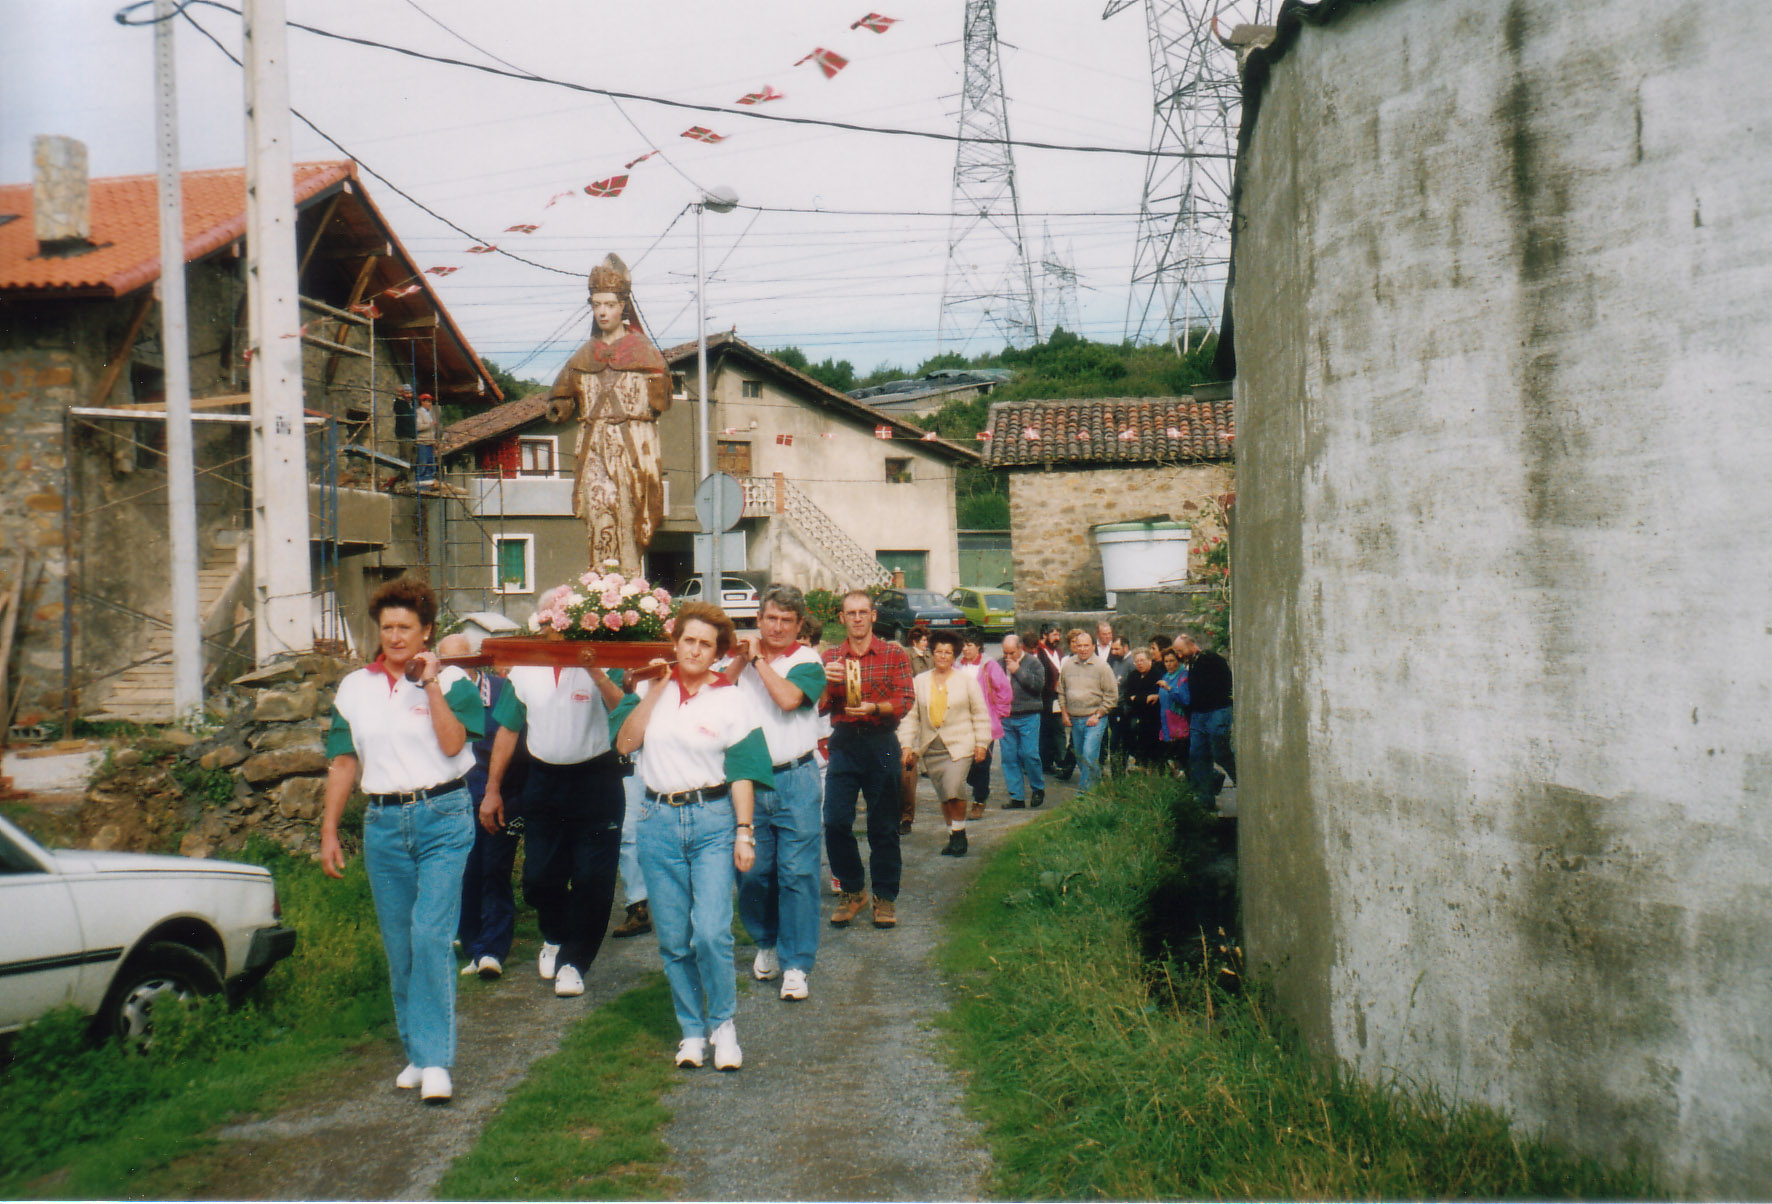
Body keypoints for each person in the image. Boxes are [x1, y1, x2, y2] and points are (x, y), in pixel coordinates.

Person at [320, 578, 483, 1104]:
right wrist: (329, 829)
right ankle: (418, 1050)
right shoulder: (354, 688)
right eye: (387, 627)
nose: (394, 636)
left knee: (431, 936)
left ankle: (435, 1062)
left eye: (405, 627)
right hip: (384, 824)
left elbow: (454, 743)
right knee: (400, 944)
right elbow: (344, 762)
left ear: (426, 631)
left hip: (443, 816)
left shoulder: (454, 680)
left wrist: (430, 684)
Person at [617, 602, 772, 1071]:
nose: (695, 650)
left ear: (717, 652)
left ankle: (723, 1026)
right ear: (676, 642)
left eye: (706, 644)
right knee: (673, 937)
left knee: (710, 931)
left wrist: (744, 833)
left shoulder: (731, 698)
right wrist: (653, 691)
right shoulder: (651, 686)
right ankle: (691, 1031)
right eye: (688, 640)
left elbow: (743, 771)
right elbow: (625, 743)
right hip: (657, 821)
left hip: (712, 820)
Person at [480, 649, 627, 999]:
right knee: (539, 877)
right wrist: (492, 788)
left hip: (596, 778)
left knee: (592, 878)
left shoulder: (607, 662)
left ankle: (574, 962)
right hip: (544, 780)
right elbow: (508, 730)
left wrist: (596, 671)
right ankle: (555, 935)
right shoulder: (525, 670)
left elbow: (623, 713)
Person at [723, 584, 829, 1002]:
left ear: (800, 625)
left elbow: (787, 699)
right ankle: (766, 942)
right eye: (771, 618)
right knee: (752, 873)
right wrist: (741, 658)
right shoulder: (744, 656)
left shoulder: (808, 660)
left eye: (787, 620)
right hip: (748, 783)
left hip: (796, 778)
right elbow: (717, 691)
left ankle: (797, 964)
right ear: (759, 619)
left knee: (797, 874)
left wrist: (758, 662)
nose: (778, 627)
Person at [544, 253, 671, 573]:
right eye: (597, 304)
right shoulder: (583, 355)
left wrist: (654, 387)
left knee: (630, 510)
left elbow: (662, 400)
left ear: (623, 307)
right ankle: (601, 580)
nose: (602, 312)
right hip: (594, 443)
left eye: (610, 305)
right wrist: (561, 406)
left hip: (634, 446)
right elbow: (562, 396)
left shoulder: (645, 351)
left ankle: (628, 581)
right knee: (599, 505)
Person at [820, 589, 915, 929]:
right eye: (851, 613)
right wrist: (824, 683)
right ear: (842, 618)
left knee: (884, 825)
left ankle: (885, 896)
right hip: (844, 742)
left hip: (881, 741)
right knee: (834, 821)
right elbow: (819, 707)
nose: (857, 618)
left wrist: (876, 708)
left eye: (863, 612)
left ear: (873, 616)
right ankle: (852, 890)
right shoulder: (830, 656)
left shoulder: (893, 653)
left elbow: (906, 699)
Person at [442, 634, 528, 981]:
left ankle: (492, 950)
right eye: (445, 664)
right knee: (466, 872)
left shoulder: (503, 690)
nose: (453, 671)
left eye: (460, 663)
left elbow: (516, 745)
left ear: (475, 660)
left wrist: (500, 793)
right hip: (457, 800)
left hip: (500, 796)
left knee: (494, 870)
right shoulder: (438, 696)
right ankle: (473, 945)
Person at [899, 630, 992, 856]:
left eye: (947, 653)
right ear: (932, 654)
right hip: (932, 748)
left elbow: (980, 714)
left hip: (959, 747)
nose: (942, 656)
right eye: (938, 652)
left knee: (953, 789)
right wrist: (906, 745)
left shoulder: (966, 681)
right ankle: (953, 836)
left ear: (954, 656)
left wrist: (981, 743)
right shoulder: (919, 682)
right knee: (943, 794)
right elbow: (911, 717)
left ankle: (960, 835)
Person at [958, 630, 1012, 817]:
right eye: (963, 645)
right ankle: (979, 787)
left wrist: (998, 715)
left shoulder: (989, 665)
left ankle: (979, 801)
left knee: (981, 762)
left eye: (969, 645)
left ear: (979, 646)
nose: (965, 649)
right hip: (962, 724)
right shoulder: (957, 666)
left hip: (985, 723)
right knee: (965, 763)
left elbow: (1004, 690)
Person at [1178, 631, 1236, 806]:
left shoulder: (1212, 660)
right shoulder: (1191, 664)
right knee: (1197, 755)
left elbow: (1226, 682)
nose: (1179, 655)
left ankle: (1241, 778)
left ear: (1191, 645)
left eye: (1181, 651)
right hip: (1198, 714)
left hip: (1216, 710)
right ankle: (1205, 799)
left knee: (1220, 750)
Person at [1058, 629, 1119, 793]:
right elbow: (1061, 691)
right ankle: (1097, 788)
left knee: (1089, 754)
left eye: (1086, 645)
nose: (1083, 649)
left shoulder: (1102, 667)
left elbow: (1112, 695)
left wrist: (1098, 714)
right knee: (1080, 756)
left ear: (1093, 646)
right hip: (1075, 718)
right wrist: (1064, 712)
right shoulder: (1068, 665)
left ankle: (1084, 794)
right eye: (1079, 646)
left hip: (1094, 718)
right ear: (1074, 647)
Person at [999, 633, 1046, 809]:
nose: (1008, 657)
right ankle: (1017, 796)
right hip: (1006, 717)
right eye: (1005, 653)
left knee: (1029, 754)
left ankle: (1038, 788)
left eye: (1011, 653)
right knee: (1009, 756)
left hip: (1028, 715)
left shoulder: (1034, 663)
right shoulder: (999, 663)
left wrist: (1018, 671)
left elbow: (1038, 686)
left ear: (1020, 648)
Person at [897, 626, 933, 834]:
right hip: (889, 727)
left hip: (912, 719)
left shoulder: (917, 674)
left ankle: (906, 817)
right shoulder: (907, 658)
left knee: (907, 774)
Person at [1035, 625, 1073, 780]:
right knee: (1046, 730)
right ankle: (1049, 762)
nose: (1058, 638)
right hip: (1045, 697)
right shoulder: (1038, 652)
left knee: (1057, 728)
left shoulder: (1058, 652)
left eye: (1058, 634)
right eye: (1054, 634)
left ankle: (1060, 761)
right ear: (1044, 635)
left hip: (1057, 697)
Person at [1122, 648, 1166, 771]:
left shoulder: (1157, 675)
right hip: (1136, 714)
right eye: (1137, 661)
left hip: (1153, 717)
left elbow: (1152, 699)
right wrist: (1141, 698)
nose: (1139, 664)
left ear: (1150, 660)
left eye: (1142, 660)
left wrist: (1136, 698)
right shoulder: (1133, 675)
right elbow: (1127, 696)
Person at [1158, 647, 1191, 774]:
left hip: (1180, 722)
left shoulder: (1184, 676)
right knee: (1171, 759)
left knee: (1182, 758)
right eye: (1166, 661)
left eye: (1172, 661)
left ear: (1178, 661)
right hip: (1167, 723)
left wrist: (1169, 689)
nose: (1169, 664)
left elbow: (1185, 699)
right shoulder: (1166, 676)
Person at [413, 393, 438, 488]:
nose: (430, 404)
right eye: (428, 401)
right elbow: (418, 427)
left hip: (429, 443)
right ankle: (421, 486)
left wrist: (434, 441)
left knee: (430, 465)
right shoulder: (419, 412)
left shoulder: (429, 413)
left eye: (430, 402)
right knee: (423, 465)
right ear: (422, 402)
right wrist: (430, 425)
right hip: (422, 442)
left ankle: (428, 485)